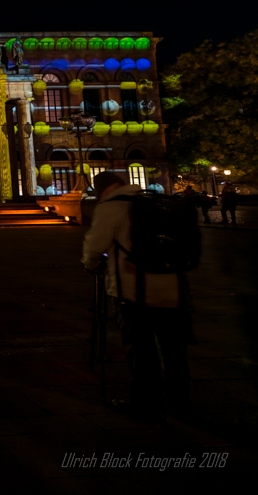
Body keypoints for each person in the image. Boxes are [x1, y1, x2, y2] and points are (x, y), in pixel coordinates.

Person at [81, 172, 191, 420]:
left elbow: (94, 246)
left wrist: (90, 264)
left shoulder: (112, 207)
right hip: (173, 289)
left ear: (103, 190)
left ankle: (146, 399)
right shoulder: (158, 202)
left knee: (141, 349)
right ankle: (179, 400)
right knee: (174, 350)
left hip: (133, 291)